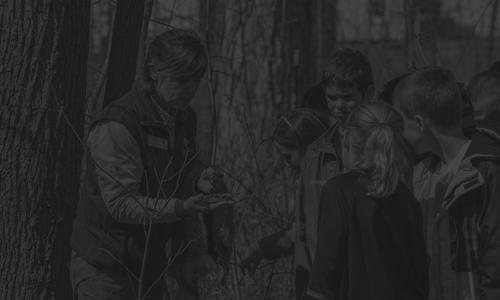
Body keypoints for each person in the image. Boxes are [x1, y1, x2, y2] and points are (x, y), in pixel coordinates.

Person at [70, 29, 230, 299]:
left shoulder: (182, 115)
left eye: (197, 79)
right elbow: (121, 204)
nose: (191, 88)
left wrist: (196, 180)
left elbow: (180, 167)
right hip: (107, 273)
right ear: (154, 72)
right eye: (181, 79)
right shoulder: (118, 126)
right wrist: (181, 207)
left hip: (150, 268)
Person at [241, 48, 375, 299]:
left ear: (369, 94)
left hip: (366, 282)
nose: (339, 106)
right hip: (319, 284)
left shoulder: (385, 151)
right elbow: (304, 227)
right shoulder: (315, 153)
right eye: (332, 97)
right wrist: (264, 248)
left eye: (347, 97)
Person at [393, 66, 500, 300]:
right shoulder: (431, 176)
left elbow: (495, 266)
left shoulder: (483, 173)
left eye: (401, 123)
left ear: (420, 123)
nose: (399, 134)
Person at [305, 101, 429, 300]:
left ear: (349, 139)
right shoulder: (408, 198)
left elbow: (324, 274)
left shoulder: (339, 190)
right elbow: (421, 273)